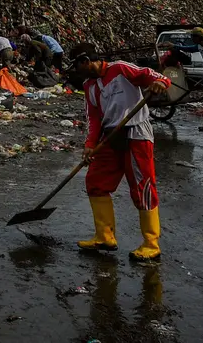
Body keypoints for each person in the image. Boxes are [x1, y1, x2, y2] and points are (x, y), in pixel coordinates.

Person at [69, 43, 170, 262]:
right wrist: (89, 144)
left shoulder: (121, 69)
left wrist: (160, 83)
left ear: (86, 61)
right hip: (109, 135)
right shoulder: (89, 85)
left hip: (135, 132)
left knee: (142, 186)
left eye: (77, 65)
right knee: (95, 181)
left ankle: (151, 244)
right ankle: (104, 236)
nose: (77, 71)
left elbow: (153, 76)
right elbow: (94, 117)